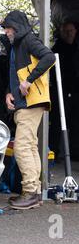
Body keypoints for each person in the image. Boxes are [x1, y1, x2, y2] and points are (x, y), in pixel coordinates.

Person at [0, 10, 55, 210]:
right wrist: (9, 92)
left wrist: (29, 81)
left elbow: (49, 57)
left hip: (32, 101)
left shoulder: (28, 41)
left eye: (8, 27)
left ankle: (30, 192)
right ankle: (35, 193)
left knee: (22, 146)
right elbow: (15, 77)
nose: (6, 31)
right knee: (30, 146)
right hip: (27, 102)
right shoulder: (17, 45)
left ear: (16, 26)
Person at [49, 22, 79, 161]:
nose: (68, 33)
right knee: (57, 122)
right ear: (60, 32)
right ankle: (54, 152)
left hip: (76, 91)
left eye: (71, 30)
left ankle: (75, 152)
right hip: (60, 91)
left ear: (75, 31)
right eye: (65, 31)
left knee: (75, 122)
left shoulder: (77, 47)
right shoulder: (56, 49)